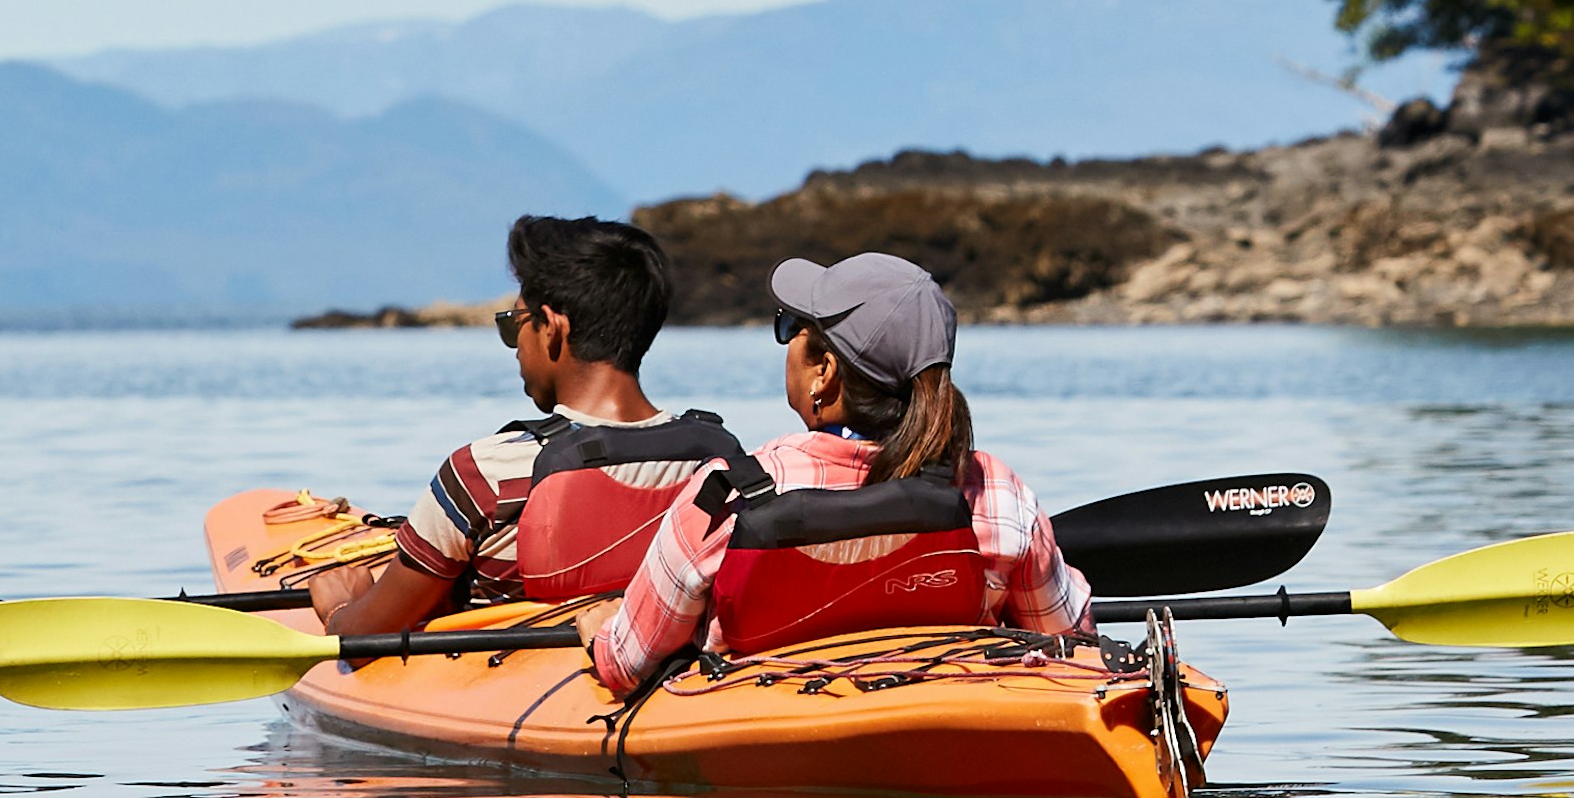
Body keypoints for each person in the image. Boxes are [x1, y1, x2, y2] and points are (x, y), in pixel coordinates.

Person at [584, 248, 1089, 697]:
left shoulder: (730, 494)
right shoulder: (997, 492)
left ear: (824, 369)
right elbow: (1070, 640)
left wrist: (598, 628)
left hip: (764, 730)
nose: (784, 341)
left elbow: (626, 664)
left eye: (789, 327)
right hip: (944, 711)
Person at [305, 214, 756, 643]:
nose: (514, 346)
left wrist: (340, 608)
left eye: (514, 325)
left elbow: (366, 633)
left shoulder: (485, 474)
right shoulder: (720, 461)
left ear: (552, 329)